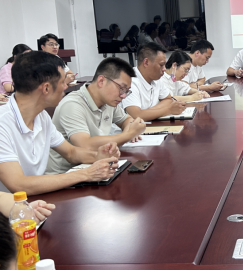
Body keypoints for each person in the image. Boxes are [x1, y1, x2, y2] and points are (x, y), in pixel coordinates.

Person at [0, 52, 121, 195]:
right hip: (13, 206)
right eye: (63, 82)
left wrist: (98, 156)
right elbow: (19, 185)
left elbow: (70, 152)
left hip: (36, 200)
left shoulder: (41, 116)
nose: (66, 86)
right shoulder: (3, 123)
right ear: (46, 88)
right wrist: (86, 174)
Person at [46, 58, 147, 175]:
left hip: (95, 167)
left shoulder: (109, 101)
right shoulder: (72, 104)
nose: (123, 95)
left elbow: (126, 120)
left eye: (126, 91)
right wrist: (129, 134)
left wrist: (131, 128)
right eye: (121, 88)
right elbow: (85, 145)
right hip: (65, 174)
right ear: (101, 81)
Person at [122, 43, 187, 120]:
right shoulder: (130, 81)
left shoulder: (156, 78)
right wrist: (168, 110)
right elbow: (136, 115)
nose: (164, 69)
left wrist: (147, 112)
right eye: (161, 65)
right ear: (146, 62)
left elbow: (168, 100)